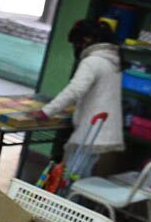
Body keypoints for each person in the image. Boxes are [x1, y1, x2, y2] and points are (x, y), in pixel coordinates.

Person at [38, 18, 124, 175]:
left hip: (92, 134)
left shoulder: (92, 61)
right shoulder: (113, 60)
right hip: (104, 133)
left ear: (86, 39)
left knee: (70, 179)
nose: (75, 48)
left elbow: (74, 91)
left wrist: (46, 111)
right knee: (81, 180)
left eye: (76, 43)